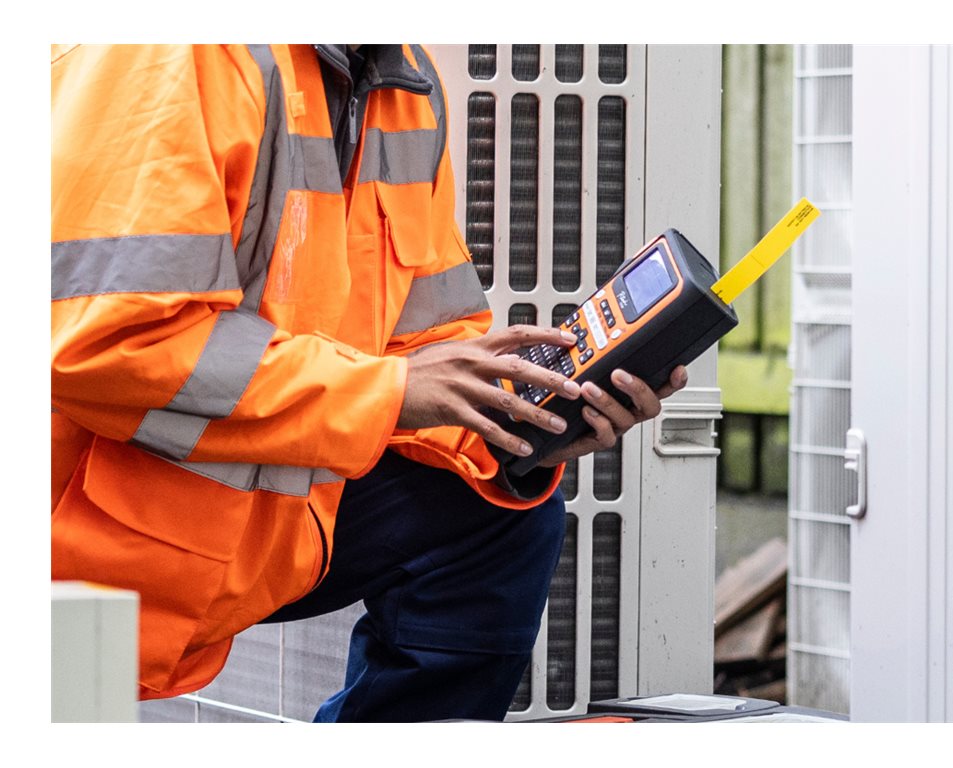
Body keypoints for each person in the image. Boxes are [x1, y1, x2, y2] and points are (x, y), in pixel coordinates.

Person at [50, 43, 688, 722]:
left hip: (234, 524)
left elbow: (419, 338)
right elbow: (106, 343)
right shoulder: (169, 52)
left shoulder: (404, 81)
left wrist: (511, 427)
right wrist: (388, 391)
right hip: (70, 533)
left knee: (492, 509)